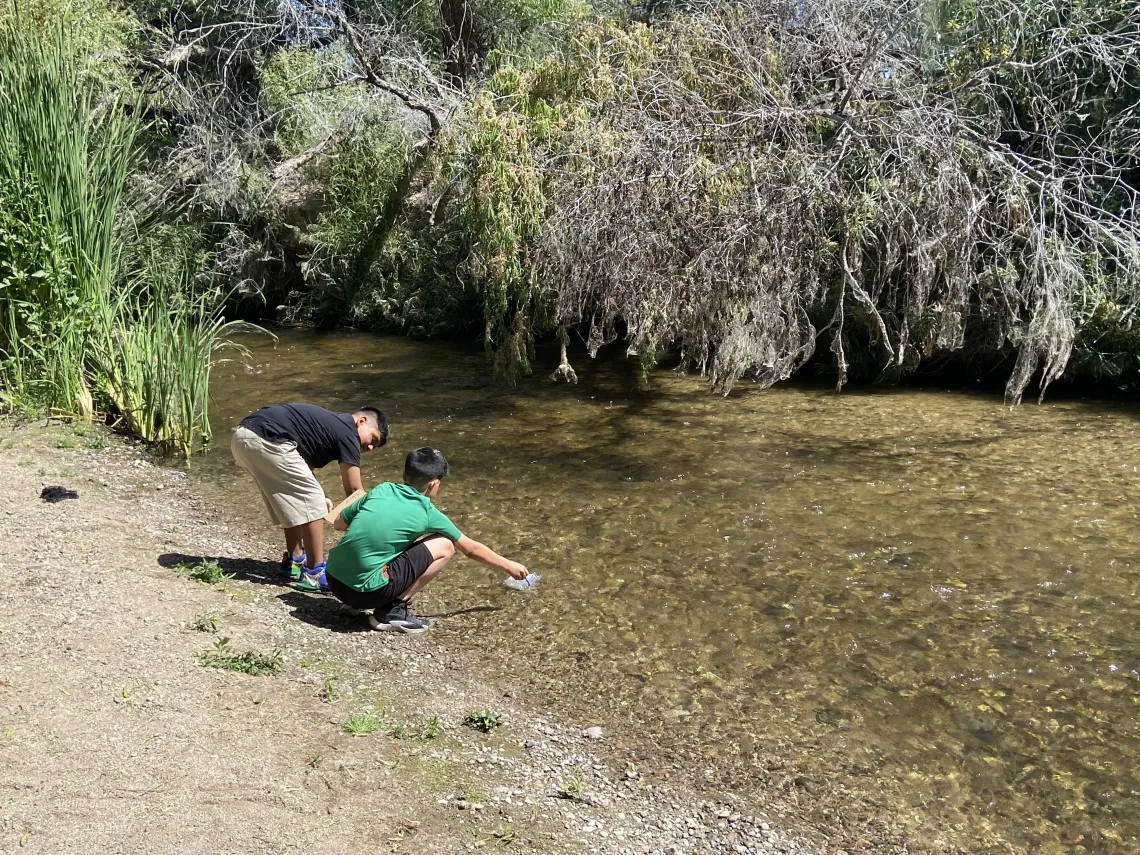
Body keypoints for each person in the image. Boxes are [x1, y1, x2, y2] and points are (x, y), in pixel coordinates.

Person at [324, 447, 528, 634]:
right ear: (434, 483)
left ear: (404, 474)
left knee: (387, 547)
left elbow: (339, 524)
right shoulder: (427, 511)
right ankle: (392, 610)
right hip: (367, 592)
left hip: (334, 579)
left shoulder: (382, 489)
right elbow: (471, 549)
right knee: (445, 545)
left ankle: (354, 603)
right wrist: (508, 565)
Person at [230, 402, 389, 591]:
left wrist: (321, 494)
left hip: (244, 437)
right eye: (373, 439)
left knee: (292, 500)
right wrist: (374, 520)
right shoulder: (348, 431)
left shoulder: (329, 425)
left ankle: (294, 560)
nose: (370, 447)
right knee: (313, 504)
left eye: (375, 446)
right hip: (268, 438)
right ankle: (314, 572)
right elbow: (354, 489)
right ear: (362, 421)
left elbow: (299, 466)